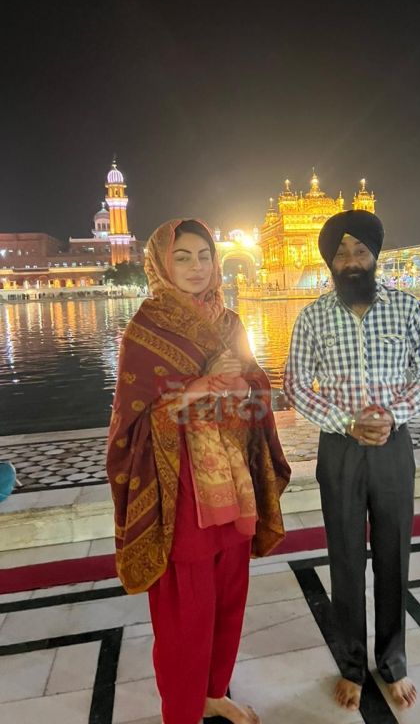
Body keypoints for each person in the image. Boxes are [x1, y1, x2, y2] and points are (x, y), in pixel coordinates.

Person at [107, 219, 290, 724]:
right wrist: (190, 394)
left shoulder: (231, 323)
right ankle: (182, 712)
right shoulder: (144, 329)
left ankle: (213, 692)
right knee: (185, 612)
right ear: (162, 264)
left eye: (204, 255)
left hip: (232, 477)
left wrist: (244, 385)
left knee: (230, 593)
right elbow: (130, 422)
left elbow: (255, 387)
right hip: (180, 485)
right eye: (182, 256)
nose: (195, 267)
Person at [284, 210, 420, 712]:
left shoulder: (406, 308)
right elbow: (293, 383)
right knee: (346, 557)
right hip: (340, 448)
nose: (351, 261)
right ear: (329, 261)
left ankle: (392, 663)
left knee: (394, 552)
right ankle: (353, 665)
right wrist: (346, 423)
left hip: (394, 445)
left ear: (375, 255)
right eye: (341, 253)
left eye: (360, 251)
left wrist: (391, 416)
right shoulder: (312, 316)